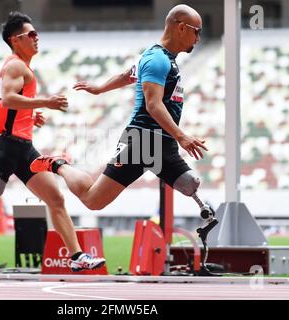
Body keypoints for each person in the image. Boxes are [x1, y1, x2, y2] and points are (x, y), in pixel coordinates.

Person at [30, 5, 216, 222]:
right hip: (142, 141)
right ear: (182, 28)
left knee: (190, 183)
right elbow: (153, 105)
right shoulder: (157, 59)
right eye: (197, 31)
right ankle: (58, 165)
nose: (199, 37)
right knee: (93, 200)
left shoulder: (162, 58)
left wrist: (100, 89)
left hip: (163, 143)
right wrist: (182, 136)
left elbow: (128, 75)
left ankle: (207, 224)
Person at [0, 12, 105, 272]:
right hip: (9, 145)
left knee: (56, 199)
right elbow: (6, 99)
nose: (36, 38)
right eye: (30, 34)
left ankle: (76, 257)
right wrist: (45, 103)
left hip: (23, 148)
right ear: (14, 40)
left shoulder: (18, 67)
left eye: (36, 33)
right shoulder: (15, 66)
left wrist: (27, 113)